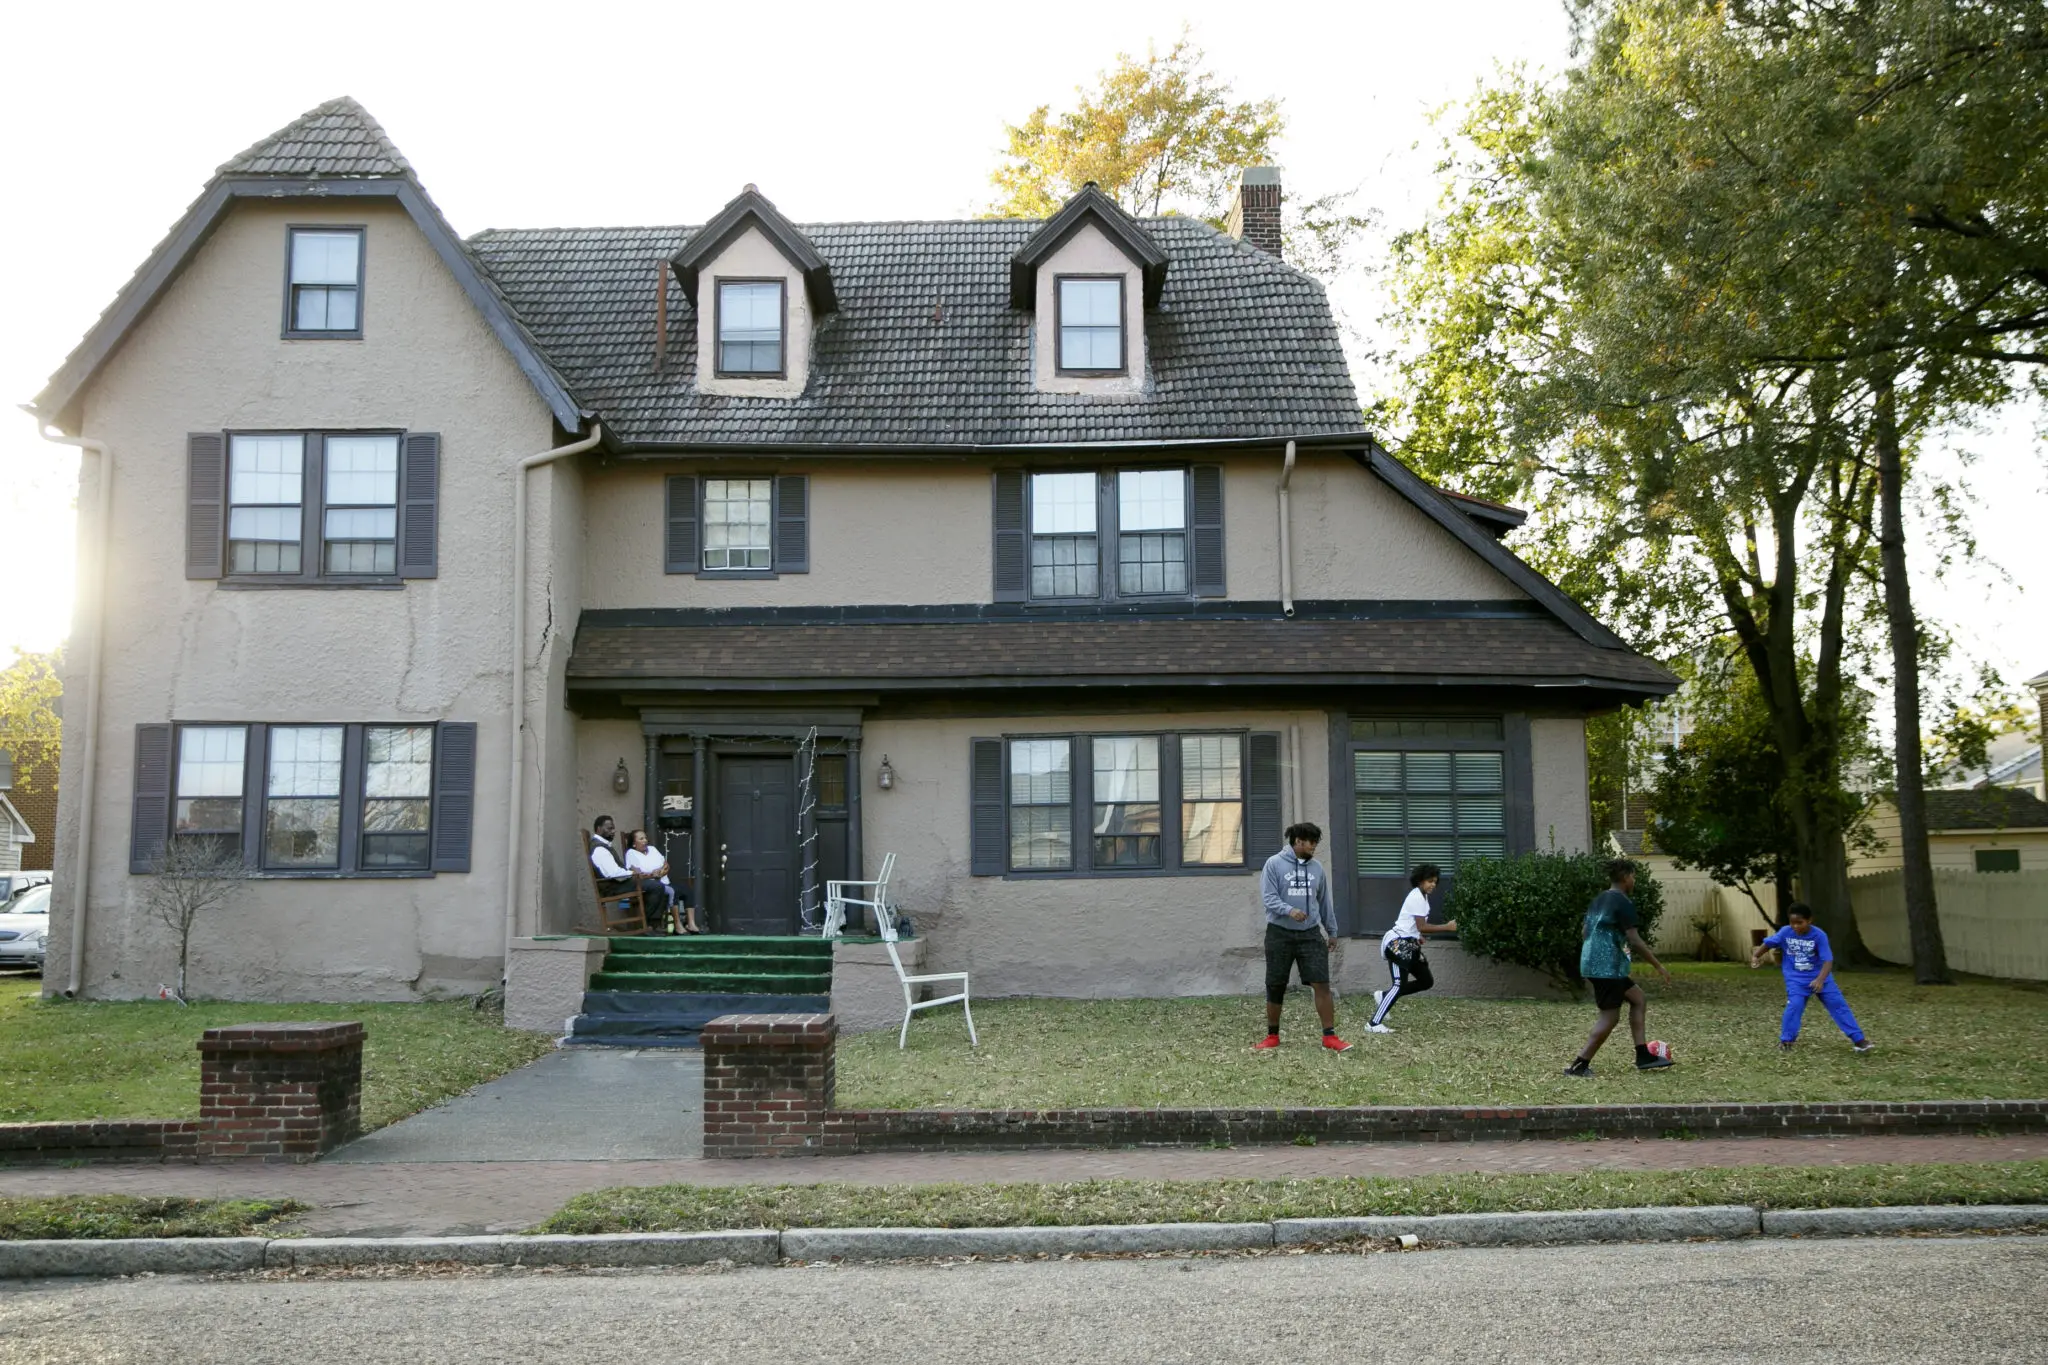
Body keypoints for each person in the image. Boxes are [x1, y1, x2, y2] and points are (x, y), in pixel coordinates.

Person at [1565, 858, 1673, 1076]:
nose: (1634, 881)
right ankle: (1579, 1065)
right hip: (1607, 968)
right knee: (1610, 1017)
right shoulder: (1623, 902)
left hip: (1596, 964)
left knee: (1638, 998)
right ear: (1625, 877)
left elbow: (1584, 932)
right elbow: (1634, 939)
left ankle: (1643, 1055)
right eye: (1633, 876)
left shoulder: (1599, 899)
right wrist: (1658, 965)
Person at [1253, 821, 1352, 1052]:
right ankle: (1272, 1036)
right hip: (1279, 933)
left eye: (1316, 842)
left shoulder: (1317, 868)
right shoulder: (1274, 864)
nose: (1314, 846)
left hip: (1310, 934)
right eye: (1311, 842)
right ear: (1298, 841)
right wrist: (1290, 910)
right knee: (1275, 985)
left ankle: (1330, 1037)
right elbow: (1268, 898)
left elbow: (1324, 901)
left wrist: (1332, 930)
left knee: (1322, 983)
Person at [1751, 903, 1873, 1053]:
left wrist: (1820, 980)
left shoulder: (1818, 935)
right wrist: (1756, 956)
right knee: (1794, 1006)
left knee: (1838, 1006)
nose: (1795, 926)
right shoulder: (1785, 932)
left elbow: (1827, 960)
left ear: (1809, 921)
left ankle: (1859, 1040)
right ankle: (1786, 1041)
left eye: (1800, 923)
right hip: (1796, 980)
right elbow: (1769, 943)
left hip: (1821, 977)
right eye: (1792, 923)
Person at [1365, 863, 1460, 1034]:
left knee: (1426, 981)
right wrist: (1447, 926)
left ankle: (1383, 996)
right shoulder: (1417, 897)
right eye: (1430, 881)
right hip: (1397, 945)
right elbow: (1422, 926)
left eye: (1435, 882)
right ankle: (1373, 1024)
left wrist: (1418, 936)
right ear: (1420, 880)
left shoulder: (1422, 897)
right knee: (1399, 984)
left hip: (1409, 944)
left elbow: (1416, 927)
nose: (1433, 885)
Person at [589, 814, 671, 932]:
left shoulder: (604, 846)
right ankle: (645, 925)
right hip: (613, 886)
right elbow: (613, 873)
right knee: (656, 886)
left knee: (655, 886)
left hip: (618, 883)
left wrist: (634, 874)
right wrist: (633, 873)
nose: (613, 831)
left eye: (613, 828)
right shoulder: (599, 849)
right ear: (598, 829)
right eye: (609, 828)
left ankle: (651, 925)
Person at [627, 828, 700, 934]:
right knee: (672, 891)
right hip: (652, 886)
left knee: (687, 890)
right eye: (641, 839)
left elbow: (666, 865)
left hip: (665, 881)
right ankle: (677, 925)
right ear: (634, 844)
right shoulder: (631, 854)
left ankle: (691, 924)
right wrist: (653, 874)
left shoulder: (652, 849)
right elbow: (637, 874)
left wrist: (661, 873)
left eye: (645, 838)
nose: (645, 841)